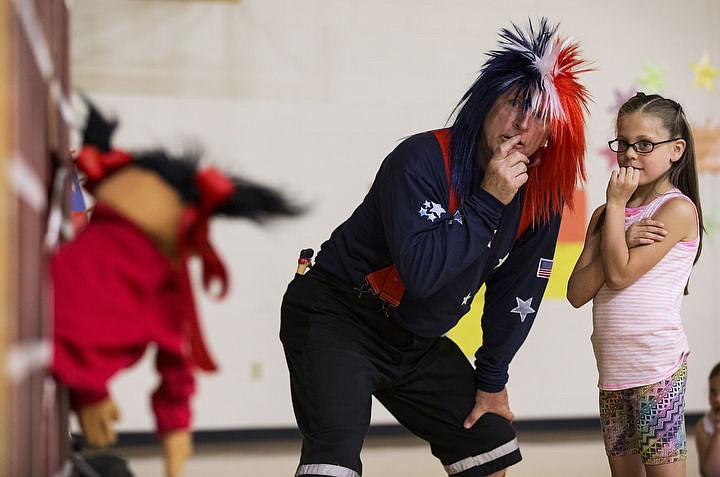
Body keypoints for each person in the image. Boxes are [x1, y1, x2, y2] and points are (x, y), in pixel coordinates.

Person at [280, 18, 591, 477]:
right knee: (335, 453)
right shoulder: (422, 158)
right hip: (337, 315)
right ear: (488, 102)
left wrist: (491, 380)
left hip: (415, 339)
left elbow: (515, 298)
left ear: (551, 135)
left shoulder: (541, 201)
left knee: (490, 445)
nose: (522, 124)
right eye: (513, 103)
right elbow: (422, 273)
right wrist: (488, 199)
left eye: (539, 115)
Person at [51, 99, 301, 477]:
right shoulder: (127, 260)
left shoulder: (148, 269)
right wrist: (92, 391)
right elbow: (71, 314)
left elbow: (175, 356)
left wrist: (175, 423)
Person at [567, 92, 703, 477]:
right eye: (623, 144)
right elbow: (577, 293)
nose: (629, 154)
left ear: (676, 150)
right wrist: (619, 223)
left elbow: (621, 274)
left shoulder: (674, 210)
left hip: (655, 367)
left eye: (644, 145)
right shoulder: (605, 214)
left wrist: (616, 208)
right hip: (613, 371)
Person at [696, 362, 720, 477]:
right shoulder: (704, 426)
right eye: (713, 392)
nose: (717, 399)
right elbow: (710, 473)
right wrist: (718, 432)